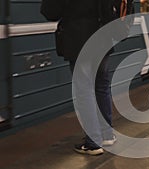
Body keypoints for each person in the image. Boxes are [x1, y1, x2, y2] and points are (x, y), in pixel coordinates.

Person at [40, 0, 116, 155]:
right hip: (102, 38)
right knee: (102, 86)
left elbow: (50, 12)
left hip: (79, 39)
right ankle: (107, 135)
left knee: (84, 90)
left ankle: (93, 142)